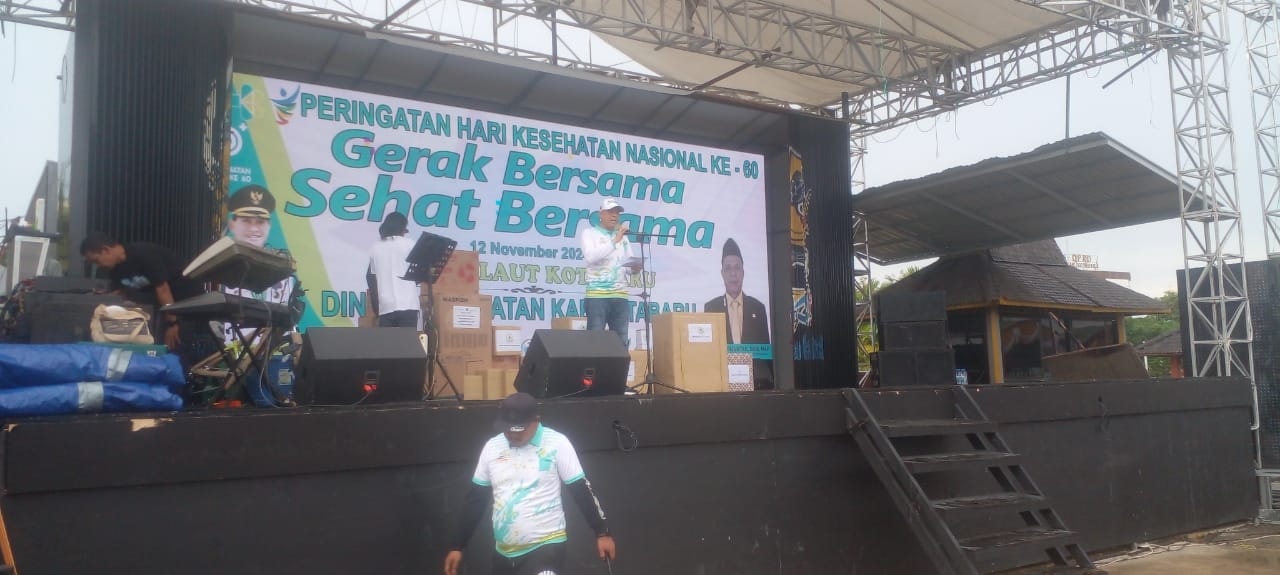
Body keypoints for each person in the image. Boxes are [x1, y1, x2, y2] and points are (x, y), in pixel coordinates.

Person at [444, 393, 616, 575]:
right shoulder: (491, 447)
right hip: (504, 551)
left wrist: (602, 532)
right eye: (508, 429)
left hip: (547, 545)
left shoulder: (557, 443)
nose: (513, 434)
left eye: (519, 429)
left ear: (536, 420)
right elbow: (475, 500)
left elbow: (580, 489)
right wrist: (457, 545)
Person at [80, 232, 204, 352]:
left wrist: (173, 324)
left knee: (177, 343)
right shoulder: (115, 271)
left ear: (105, 250)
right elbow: (120, 294)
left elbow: (163, 290)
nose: (98, 265)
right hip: (163, 306)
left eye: (96, 261)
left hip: (186, 302)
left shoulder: (143, 254)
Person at [222, 185, 297, 341]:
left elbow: (288, 327)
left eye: (260, 222)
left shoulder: (283, 275)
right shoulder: (221, 268)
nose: (254, 229)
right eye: (246, 221)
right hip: (231, 353)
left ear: (269, 226)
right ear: (232, 224)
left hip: (273, 353)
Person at [705, 238, 772, 388]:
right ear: (722, 274)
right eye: (728, 269)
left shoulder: (758, 308)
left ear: (743, 272)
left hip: (755, 386)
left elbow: (766, 355)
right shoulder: (711, 307)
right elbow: (709, 354)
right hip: (722, 385)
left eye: (737, 268)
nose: (733, 273)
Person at [580, 198, 640, 344]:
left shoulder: (623, 238)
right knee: (595, 342)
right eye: (611, 211)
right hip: (597, 296)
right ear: (601, 214)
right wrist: (615, 241)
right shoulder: (589, 233)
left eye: (617, 212)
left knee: (621, 341)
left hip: (620, 295)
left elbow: (627, 265)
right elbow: (591, 257)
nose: (615, 215)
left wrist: (634, 269)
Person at [366, 212, 419, 328]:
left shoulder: (375, 248)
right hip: (408, 304)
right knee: (406, 339)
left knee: (389, 340)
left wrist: (376, 306)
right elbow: (420, 271)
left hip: (386, 306)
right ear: (402, 228)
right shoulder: (410, 244)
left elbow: (371, 276)